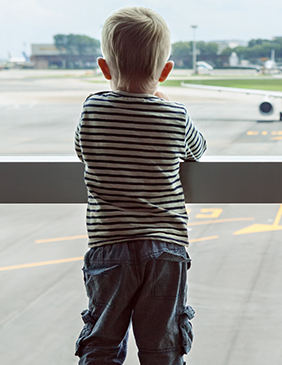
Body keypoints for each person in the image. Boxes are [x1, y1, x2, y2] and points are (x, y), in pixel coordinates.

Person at [73, 6, 206, 365]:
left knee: (102, 341)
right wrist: (165, 103)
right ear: (165, 71)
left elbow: (81, 147)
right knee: (163, 346)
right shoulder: (175, 115)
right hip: (165, 247)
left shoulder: (92, 109)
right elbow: (198, 149)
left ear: (104, 69)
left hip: (109, 246)